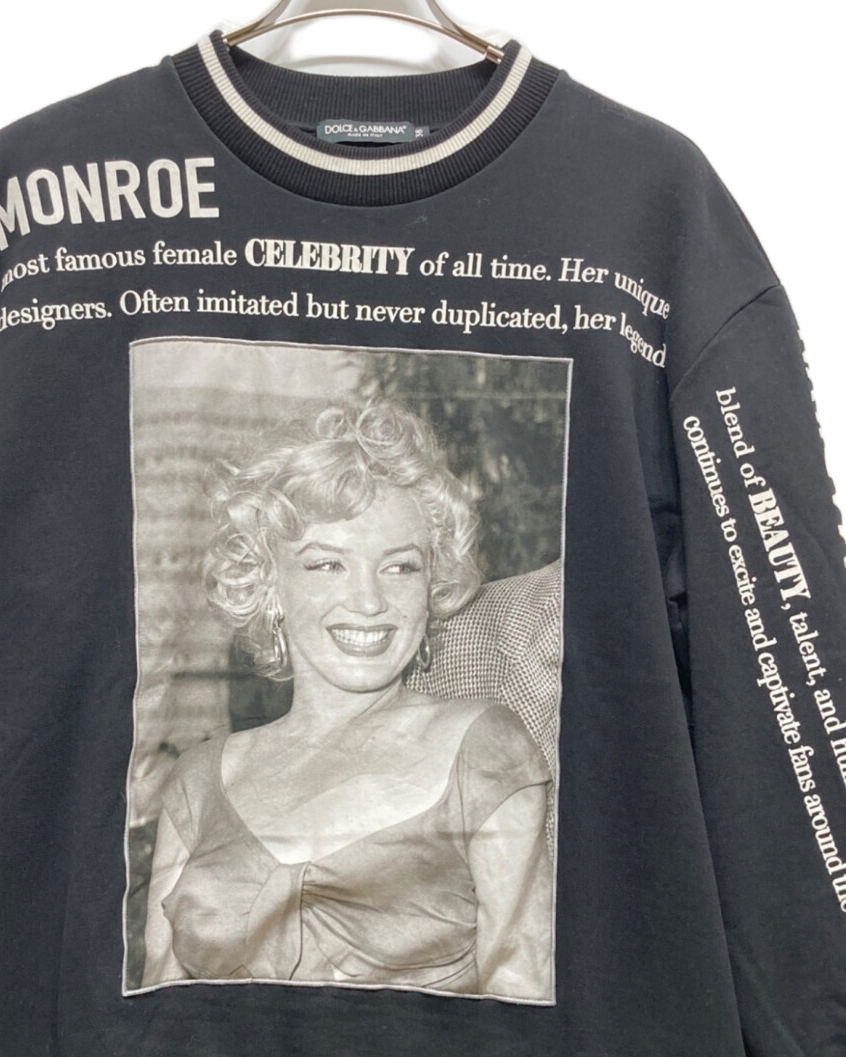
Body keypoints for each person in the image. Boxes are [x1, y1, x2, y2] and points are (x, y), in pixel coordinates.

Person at [140, 395, 556, 1001]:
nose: (369, 602)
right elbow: (154, 1005)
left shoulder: (482, 746)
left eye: (400, 567)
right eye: (327, 566)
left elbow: (523, 993)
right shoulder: (197, 779)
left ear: (432, 584)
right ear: (268, 583)